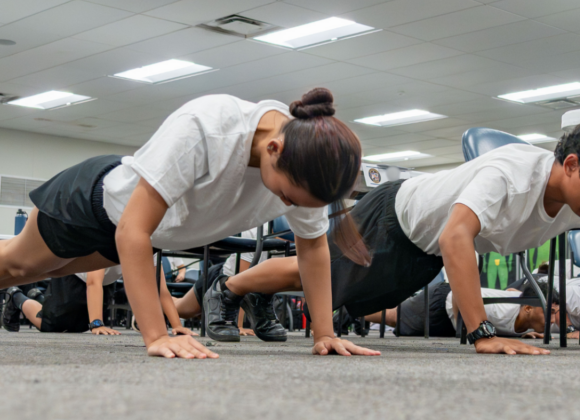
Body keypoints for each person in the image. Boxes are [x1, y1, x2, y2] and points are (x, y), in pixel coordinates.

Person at [211, 117, 580, 355]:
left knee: (331, 290)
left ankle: (241, 293)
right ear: (573, 164)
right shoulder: (512, 174)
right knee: (317, 275)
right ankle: (226, 288)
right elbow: (459, 235)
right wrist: (481, 333)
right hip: (395, 216)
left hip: (425, 247)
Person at [0, 88, 375, 360]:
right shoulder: (208, 126)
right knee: (17, 267)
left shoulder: (307, 166)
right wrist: (157, 336)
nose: (291, 206)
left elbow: (312, 247)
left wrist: (324, 334)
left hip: (125, 234)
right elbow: (134, 228)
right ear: (274, 150)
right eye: (288, 198)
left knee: (17, 273)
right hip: (90, 204)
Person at [0, 260, 186, 336]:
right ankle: (16, 296)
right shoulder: (108, 235)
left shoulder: (150, 245)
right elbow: (92, 281)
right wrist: (96, 323)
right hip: (75, 275)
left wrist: (177, 326)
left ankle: (39, 297)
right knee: (51, 325)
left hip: (100, 284)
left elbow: (161, 291)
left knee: (77, 327)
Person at [173, 229, 287, 342]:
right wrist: (239, 326)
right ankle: (160, 298)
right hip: (220, 279)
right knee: (181, 310)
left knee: (196, 313)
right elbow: (243, 281)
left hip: (241, 285)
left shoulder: (293, 237)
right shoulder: (254, 232)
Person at [363, 279, 574, 338]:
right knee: (392, 317)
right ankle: (352, 312)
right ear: (528, 307)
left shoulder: (530, 321)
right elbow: (459, 292)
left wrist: (519, 335)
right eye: (550, 314)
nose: (553, 320)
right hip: (443, 302)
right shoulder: (501, 309)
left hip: (458, 321)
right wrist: (460, 332)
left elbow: (511, 289)